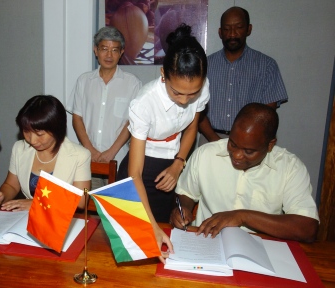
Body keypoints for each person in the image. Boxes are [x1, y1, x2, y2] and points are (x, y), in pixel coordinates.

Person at [117, 23, 210, 261]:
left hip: (173, 162)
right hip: (140, 167)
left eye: (193, 94)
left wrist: (179, 164)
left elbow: (192, 127)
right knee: (136, 243)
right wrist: (150, 226)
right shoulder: (144, 103)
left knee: (165, 246)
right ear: (163, 75)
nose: (185, 100)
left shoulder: (202, 87)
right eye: (177, 92)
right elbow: (135, 173)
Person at [171, 103, 319, 243]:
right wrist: (183, 209)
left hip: (262, 246)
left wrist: (243, 216)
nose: (236, 155)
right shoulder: (206, 154)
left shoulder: (290, 168)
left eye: (249, 151)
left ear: (270, 145)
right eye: (232, 144)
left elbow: (307, 229)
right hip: (207, 242)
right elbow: (186, 193)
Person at [198, 6, 288, 145]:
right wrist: (214, 140)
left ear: (248, 29)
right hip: (210, 139)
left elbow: (268, 115)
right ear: (220, 33)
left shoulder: (267, 65)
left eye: (238, 27)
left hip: (250, 142)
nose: (232, 34)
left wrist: (244, 142)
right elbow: (197, 108)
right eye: (227, 29)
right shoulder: (205, 65)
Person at [0, 95, 90, 211]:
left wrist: (38, 203)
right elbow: (11, 185)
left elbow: (81, 201)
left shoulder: (79, 155)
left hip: (59, 219)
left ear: (57, 129)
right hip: (24, 218)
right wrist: (2, 196)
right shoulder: (19, 148)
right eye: (26, 131)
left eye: (40, 134)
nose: (32, 140)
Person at [68, 26, 142, 189]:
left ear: (121, 52)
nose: (109, 55)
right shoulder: (84, 81)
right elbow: (77, 118)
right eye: (104, 49)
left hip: (120, 160)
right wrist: (91, 151)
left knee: (114, 210)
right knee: (88, 209)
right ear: (96, 50)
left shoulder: (132, 83)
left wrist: (111, 152)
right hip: (87, 161)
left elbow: (132, 122)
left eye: (114, 50)